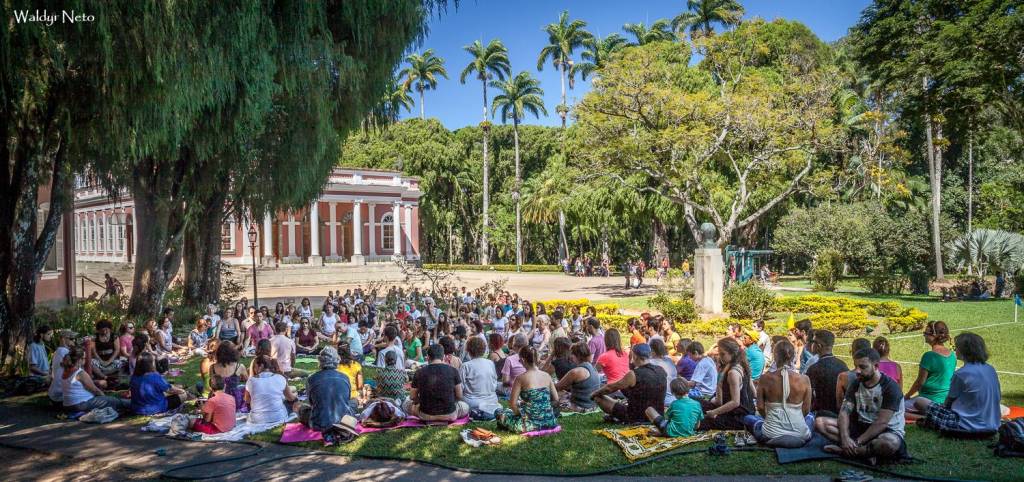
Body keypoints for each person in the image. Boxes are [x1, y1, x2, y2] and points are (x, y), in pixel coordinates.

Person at [817, 348, 908, 462]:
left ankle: (846, 451)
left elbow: (882, 423)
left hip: (886, 431)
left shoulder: (890, 387)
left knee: (889, 443)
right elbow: (844, 412)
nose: (857, 371)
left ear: (876, 366)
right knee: (820, 423)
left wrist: (857, 442)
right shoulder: (856, 383)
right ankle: (864, 452)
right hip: (860, 427)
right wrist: (845, 438)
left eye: (862, 367)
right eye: (856, 366)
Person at [914, 333, 1001, 435]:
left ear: (964, 350)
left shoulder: (962, 374)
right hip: (992, 424)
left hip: (965, 424)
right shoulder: (990, 369)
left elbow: (948, 403)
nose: (955, 350)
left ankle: (929, 421)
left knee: (920, 401)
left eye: (956, 347)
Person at [743, 339, 813, 447]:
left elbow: (760, 407)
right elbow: (806, 410)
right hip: (800, 434)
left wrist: (770, 420)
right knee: (811, 417)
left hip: (770, 434)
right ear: (793, 356)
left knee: (748, 418)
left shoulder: (765, 378)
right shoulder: (805, 379)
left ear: (775, 356)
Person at [592, 343, 666, 423]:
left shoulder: (633, 374)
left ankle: (617, 417)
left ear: (635, 356)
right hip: (657, 416)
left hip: (636, 417)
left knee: (598, 398)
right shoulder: (661, 370)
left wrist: (594, 394)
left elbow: (609, 388)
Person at [495, 346, 559, 433]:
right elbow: (556, 399)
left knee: (499, 412)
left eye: (519, 360)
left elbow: (512, 404)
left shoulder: (520, 378)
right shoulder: (547, 376)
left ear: (523, 360)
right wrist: (542, 408)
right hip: (549, 421)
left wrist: (521, 414)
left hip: (528, 425)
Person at [698, 338, 755, 431]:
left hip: (738, 417)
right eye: (719, 354)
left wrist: (714, 412)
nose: (720, 357)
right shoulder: (742, 365)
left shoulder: (733, 372)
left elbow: (735, 402)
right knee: (698, 403)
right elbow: (754, 393)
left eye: (723, 354)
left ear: (732, 353)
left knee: (700, 421)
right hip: (746, 411)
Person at [403, 344, 470, 422]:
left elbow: (412, 397)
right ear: (443, 357)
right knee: (465, 406)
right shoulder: (453, 370)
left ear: (428, 357)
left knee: (406, 403)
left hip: (425, 415)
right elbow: (459, 395)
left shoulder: (419, 372)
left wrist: (421, 402)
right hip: (450, 415)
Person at [299, 346, 354, 431]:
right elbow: (347, 399)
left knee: (301, 408)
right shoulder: (345, 377)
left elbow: (311, 403)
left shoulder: (311, 379)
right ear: (337, 360)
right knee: (354, 402)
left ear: (320, 361)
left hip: (320, 423)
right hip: (343, 422)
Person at [60, 347, 129, 413]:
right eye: (84, 358)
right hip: (80, 404)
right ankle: (133, 404)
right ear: (79, 360)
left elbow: (79, 384)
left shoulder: (65, 371)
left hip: (67, 405)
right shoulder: (80, 373)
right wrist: (105, 398)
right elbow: (95, 390)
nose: (85, 360)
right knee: (113, 401)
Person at [905, 321, 956, 410]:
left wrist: (907, 395)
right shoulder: (953, 355)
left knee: (900, 408)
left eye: (926, 333)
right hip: (945, 400)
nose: (924, 335)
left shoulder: (929, 356)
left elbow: (919, 383)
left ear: (934, 336)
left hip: (928, 399)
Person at [805, 330, 848, 416]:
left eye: (813, 342)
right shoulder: (843, 365)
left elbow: (808, 396)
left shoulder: (814, 369)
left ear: (819, 346)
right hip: (839, 413)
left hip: (819, 414)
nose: (811, 344)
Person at [245, 355, 296, 424]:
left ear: (261, 366)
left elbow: (247, 400)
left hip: (256, 419)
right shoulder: (280, 378)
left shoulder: (251, 381)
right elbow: (291, 398)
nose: (254, 369)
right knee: (292, 403)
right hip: (279, 417)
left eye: (255, 367)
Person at [460, 337, 501, 419]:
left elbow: (460, 388)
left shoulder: (465, 366)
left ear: (468, 350)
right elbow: (494, 382)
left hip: (472, 403)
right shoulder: (490, 363)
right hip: (492, 400)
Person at [555, 342, 600, 412]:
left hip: (582, 407)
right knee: (563, 393)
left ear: (577, 355)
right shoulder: (592, 367)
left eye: (571, 353)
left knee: (553, 399)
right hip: (593, 405)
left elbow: (557, 387)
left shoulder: (576, 372)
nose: (570, 356)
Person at [835, 338, 872, 411]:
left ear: (852, 353)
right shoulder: (879, 376)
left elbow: (839, 405)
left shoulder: (843, 377)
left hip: (851, 416)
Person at [211, 341, 249, 411]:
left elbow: (212, 385)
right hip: (235, 400)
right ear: (233, 353)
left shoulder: (213, 367)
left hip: (219, 399)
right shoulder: (240, 366)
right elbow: (249, 383)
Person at [86, 319, 123, 384]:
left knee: (120, 363)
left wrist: (108, 362)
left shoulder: (114, 336)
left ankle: (104, 374)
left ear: (109, 329)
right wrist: (101, 361)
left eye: (106, 330)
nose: (105, 332)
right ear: (99, 330)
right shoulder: (95, 337)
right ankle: (105, 377)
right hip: (99, 359)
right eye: (102, 330)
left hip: (112, 359)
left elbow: (117, 350)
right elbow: (94, 351)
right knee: (91, 362)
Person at [47, 329, 76, 405]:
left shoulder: (58, 351)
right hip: (60, 394)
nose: (74, 341)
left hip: (55, 393)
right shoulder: (64, 351)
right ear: (63, 339)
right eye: (71, 339)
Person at [647, 339, 678, 406]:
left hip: (661, 400)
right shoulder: (669, 361)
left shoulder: (650, 363)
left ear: (653, 351)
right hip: (674, 397)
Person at [335, 341, 363, 411]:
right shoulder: (356, 365)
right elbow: (360, 386)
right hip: (352, 398)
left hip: (336, 398)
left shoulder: (334, 366)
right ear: (349, 351)